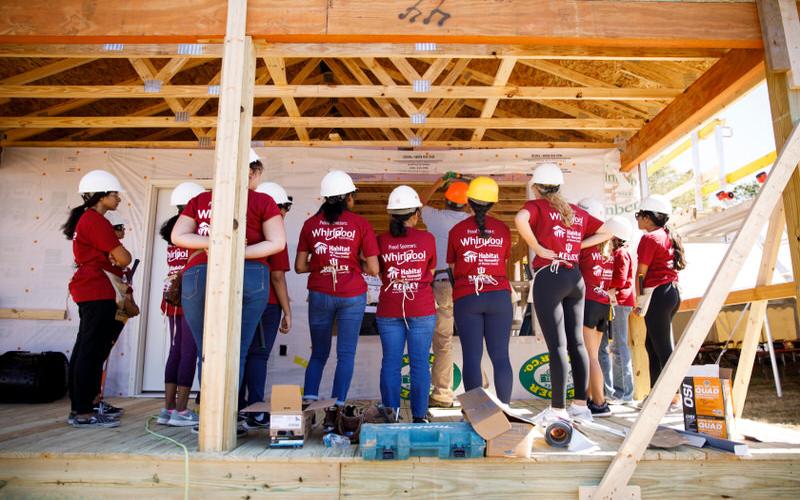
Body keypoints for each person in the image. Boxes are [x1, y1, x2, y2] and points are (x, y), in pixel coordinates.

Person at [172, 149, 286, 432]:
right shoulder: (262, 200)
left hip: (201, 271)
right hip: (250, 272)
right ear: (251, 171)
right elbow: (277, 242)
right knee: (239, 349)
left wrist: (213, 242)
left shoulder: (201, 200)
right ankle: (229, 417)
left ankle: (210, 418)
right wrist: (240, 250)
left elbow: (178, 236)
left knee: (206, 350)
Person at [514, 163, 611, 423]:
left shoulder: (536, 207)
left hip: (551, 275)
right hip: (575, 278)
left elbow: (519, 219)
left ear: (536, 187)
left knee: (557, 345)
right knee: (577, 343)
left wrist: (538, 247)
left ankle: (558, 409)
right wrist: (577, 246)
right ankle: (581, 406)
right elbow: (608, 231)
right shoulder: (576, 211)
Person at [295, 170, 379, 420]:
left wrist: (324, 263)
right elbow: (374, 268)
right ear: (347, 198)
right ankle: (337, 410)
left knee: (319, 352)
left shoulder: (310, 224)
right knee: (346, 354)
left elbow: (300, 266)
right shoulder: (360, 224)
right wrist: (352, 263)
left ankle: (308, 406)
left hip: (320, 293)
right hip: (352, 294)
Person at [62, 170, 132, 428]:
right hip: (97, 289)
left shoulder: (88, 219)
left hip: (91, 288)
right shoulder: (95, 221)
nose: (118, 198)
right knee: (91, 351)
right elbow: (123, 257)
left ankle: (84, 405)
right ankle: (83, 412)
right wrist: (117, 253)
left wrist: (115, 254)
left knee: (87, 349)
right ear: (101, 196)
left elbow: (118, 256)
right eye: (114, 194)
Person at [448, 176, 513, 403]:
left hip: (468, 297)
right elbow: (503, 262)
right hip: (498, 296)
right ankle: (507, 413)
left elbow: (453, 267)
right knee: (501, 357)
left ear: (468, 202)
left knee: (472, 358)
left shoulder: (457, 230)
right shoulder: (503, 229)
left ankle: (474, 415)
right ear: (493, 203)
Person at [376, 186, 437, 423]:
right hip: (421, 307)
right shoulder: (427, 238)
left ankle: (392, 415)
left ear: (391, 215)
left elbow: (375, 269)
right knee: (419, 364)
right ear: (415, 214)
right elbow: (430, 270)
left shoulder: (380, 240)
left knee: (390, 362)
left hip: (389, 307)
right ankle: (420, 416)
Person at [239, 181, 294, 429]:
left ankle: (236, 407)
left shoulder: (246, 229)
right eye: (283, 208)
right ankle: (256, 411)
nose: (283, 214)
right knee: (258, 356)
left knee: (239, 354)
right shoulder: (274, 231)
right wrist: (287, 311)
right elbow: (277, 276)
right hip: (267, 303)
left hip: (239, 299)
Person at [419, 172, 470, 408]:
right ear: (467, 202)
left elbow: (418, 202)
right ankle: (482, 390)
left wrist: (438, 181)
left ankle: (442, 394)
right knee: (473, 338)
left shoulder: (436, 217)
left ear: (446, 200)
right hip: (468, 283)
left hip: (442, 283)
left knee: (443, 341)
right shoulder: (471, 222)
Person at [156, 182, 204, 427]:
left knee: (175, 351)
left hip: (171, 298)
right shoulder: (192, 233)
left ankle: (168, 409)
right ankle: (182, 411)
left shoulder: (173, 235)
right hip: (189, 297)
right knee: (189, 351)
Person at [634, 195, 685, 400]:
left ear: (648, 217)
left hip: (658, 294)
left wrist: (638, 301)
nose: (637, 219)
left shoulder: (649, 238)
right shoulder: (667, 235)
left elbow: (640, 273)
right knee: (652, 344)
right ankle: (657, 393)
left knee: (662, 347)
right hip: (671, 292)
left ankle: (673, 394)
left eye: (638, 215)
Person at [91, 212, 140, 418]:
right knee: (95, 352)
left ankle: (97, 399)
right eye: (119, 227)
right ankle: (92, 401)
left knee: (103, 351)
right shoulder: (104, 254)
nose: (123, 231)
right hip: (105, 303)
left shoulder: (113, 255)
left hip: (118, 307)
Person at [576, 198, 613, 417]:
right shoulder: (607, 248)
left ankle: (600, 403)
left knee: (590, 356)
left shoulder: (585, 247)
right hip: (602, 304)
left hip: (588, 301)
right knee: (595, 354)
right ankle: (591, 398)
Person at [601, 215, 636, 403]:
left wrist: (603, 287)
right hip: (617, 302)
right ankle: (619, 391)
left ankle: (625, 393)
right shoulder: (620, 252)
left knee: (619, 346)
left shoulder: (621, 253)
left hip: (619, 302)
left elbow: (620, 281)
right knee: (617, 346)